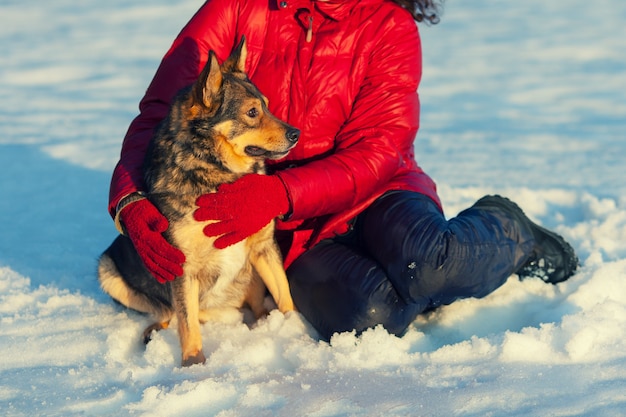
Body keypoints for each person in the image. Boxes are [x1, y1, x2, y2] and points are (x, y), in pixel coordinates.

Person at [108, 0, 579, 341]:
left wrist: (279, 194)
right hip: (295, 230)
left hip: (377, 193)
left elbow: (378, 150)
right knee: (372, 316)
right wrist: (129, 198)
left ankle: (511, 231)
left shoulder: (389, 25)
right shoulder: (237, 7)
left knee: (428, 262)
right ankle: (412, 283)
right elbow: (161, 114)